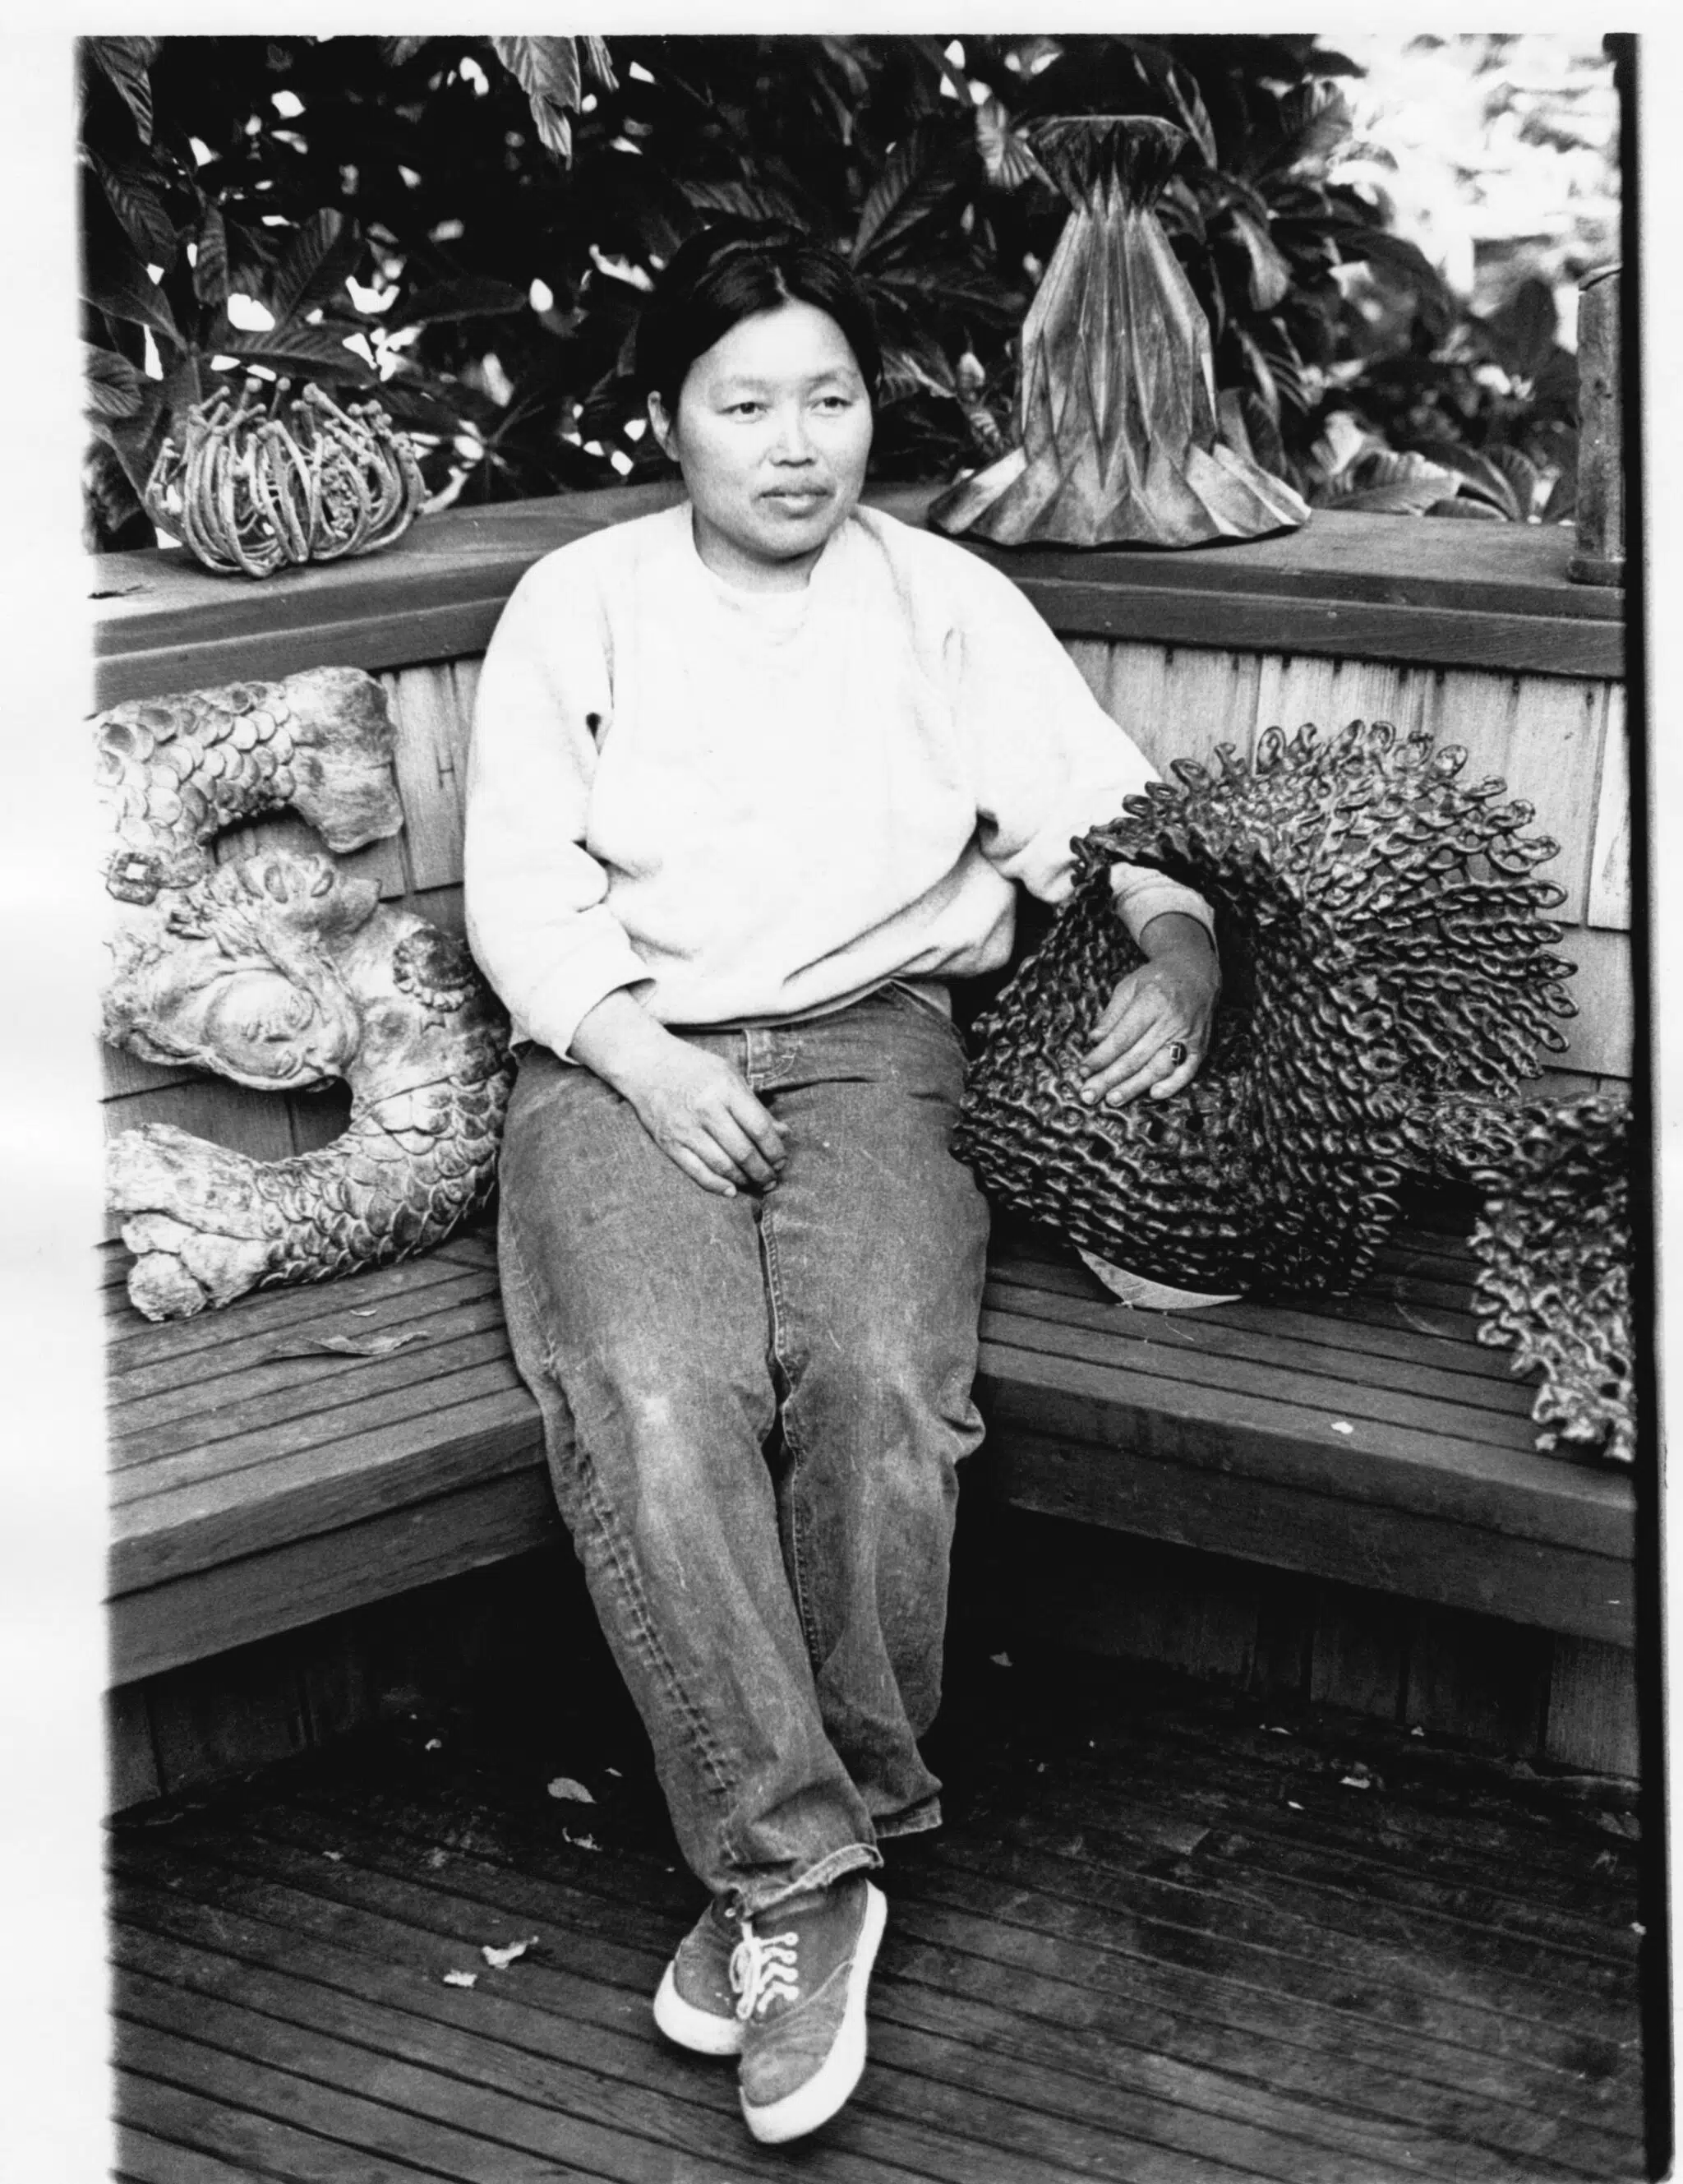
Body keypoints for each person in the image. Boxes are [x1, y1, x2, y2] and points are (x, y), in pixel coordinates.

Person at [463, 224, 1219, 2147]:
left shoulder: (945, 600)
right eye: (745, 403)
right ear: (671, 422)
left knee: (881, 1376)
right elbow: (521, 890)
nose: (795, 442)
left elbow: (1106, 820)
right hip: (615, 1056)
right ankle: (806, 1869)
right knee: (655, 1385)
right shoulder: (581, 601)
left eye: (830, 398)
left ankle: (811, 1853)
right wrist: (637, 1050)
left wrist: (1174, 942)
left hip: (883, 1042)